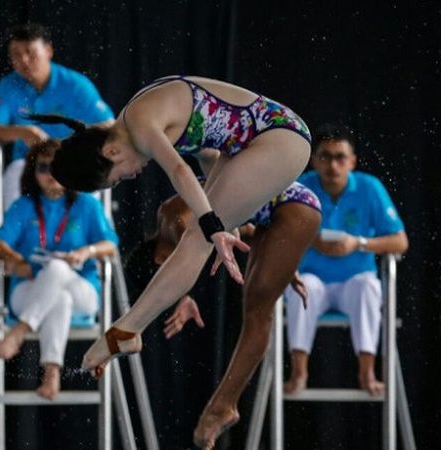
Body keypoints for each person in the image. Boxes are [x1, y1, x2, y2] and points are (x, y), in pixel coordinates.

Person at [32, 76, 313, 382]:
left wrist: (213, 223)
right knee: (200, 231)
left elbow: (179, 170)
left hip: (281, 136)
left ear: (110, 152)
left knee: (197, 236)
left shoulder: (139, 125)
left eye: (119, 177)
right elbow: (207, 152)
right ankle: (128, 329)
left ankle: (126, 330)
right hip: (259, 139)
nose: (132, 176)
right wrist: (223, 217)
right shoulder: (133, 120)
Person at [137, 179, 321, 449]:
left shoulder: (173, 220)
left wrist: (184, 297)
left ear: (158, 262)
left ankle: (223, 405)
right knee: (255, 305)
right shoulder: (171, 217)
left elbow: (180, 271)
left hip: (293, 204)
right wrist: (282, 259)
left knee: (258, 313)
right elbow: (240, 227)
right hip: (275, 211)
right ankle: (223, 405)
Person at [283, 124, 409, 396]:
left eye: (340, 157)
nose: (333, 165)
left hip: (354, 281)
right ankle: (299, 371)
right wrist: (310, 239)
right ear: (314, 159)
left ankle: (366, 372)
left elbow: (401, 241)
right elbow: (275, 231)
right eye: (325, 156)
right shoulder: (301, 187)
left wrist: (359, 243)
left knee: (368, 287)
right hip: (313, 279)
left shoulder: (370, 187)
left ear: (352, 161)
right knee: (301, 286)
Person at [0, 141, 119, 399]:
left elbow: (111, 246)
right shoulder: (24, 206)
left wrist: (86, 252)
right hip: (31, 288)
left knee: (58, 270)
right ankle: (52, 372)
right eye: (44, 168)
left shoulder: (87, 205)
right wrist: (15, 260)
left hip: (83, 289)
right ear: (33, 173)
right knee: (60, 298)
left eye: (57, 167)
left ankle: (19, 332)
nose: (51, 175)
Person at [0, 22, 114, 209]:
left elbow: (109, 124)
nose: (24, 60)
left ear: (48, 51)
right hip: (28, 164)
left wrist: (72, 141)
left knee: (90, 187)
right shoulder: (8, 86)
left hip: (72, 160)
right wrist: (21, 132)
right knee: (12, 193)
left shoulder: (76, 86)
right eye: (16, 55)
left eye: (30, 53)